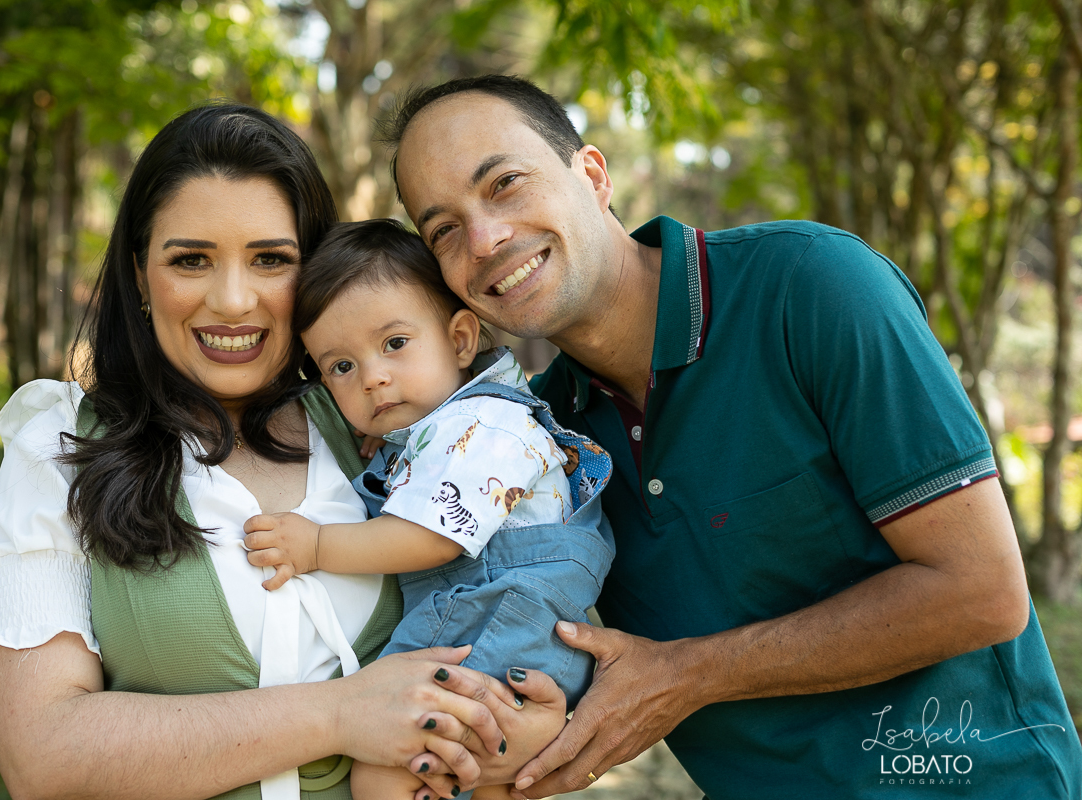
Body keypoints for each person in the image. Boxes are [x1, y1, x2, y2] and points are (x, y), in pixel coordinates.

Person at [378, 75, 1082, 799]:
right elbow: (587, 664)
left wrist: (687, 674)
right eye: (444, 231)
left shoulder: (811, 285)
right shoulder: (532, 438)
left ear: (592, 175)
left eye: (504, 184)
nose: (485, 240)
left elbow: (982, 591)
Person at [0, 102, 566, 800]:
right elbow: (42, 758)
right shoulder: (61, 445)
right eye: (191, 259)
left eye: (271, 259)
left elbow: (527, 589)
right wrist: (338, 715)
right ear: (140, 274)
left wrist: (523, 738)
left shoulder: (387, 425)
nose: (232, 300)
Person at [241, 218, 615, 800]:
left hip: (497, 619)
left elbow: (432, 538)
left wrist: (316, 546)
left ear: (460, 340)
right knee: (478, 780)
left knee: (384, 771)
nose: (373, 378)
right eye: (342, 367)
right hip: (516, 638)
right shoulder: (447, 425)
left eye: (394, 344)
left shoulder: (483, 425)